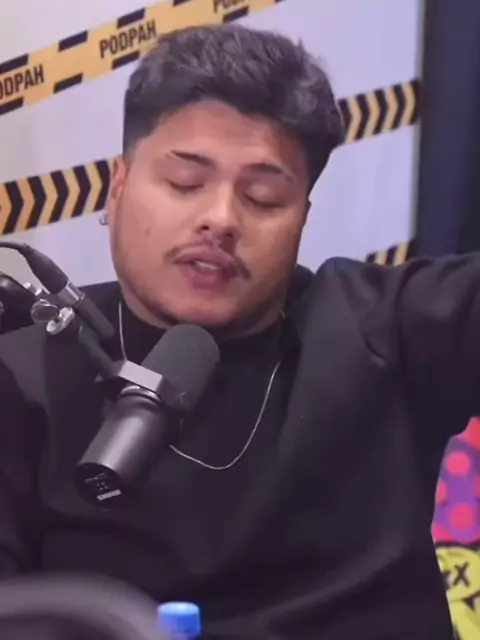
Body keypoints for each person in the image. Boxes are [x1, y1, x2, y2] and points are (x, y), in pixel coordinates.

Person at [0, 22, 472, 640]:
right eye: (185, 183)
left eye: (264, 197)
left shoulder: (386, 326)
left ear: (303, 216)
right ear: (117, 188)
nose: (220, 219)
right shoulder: (20, 375)